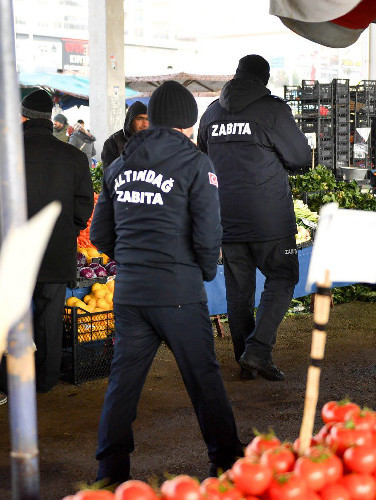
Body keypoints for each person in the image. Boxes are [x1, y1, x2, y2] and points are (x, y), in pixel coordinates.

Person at [89, 81, 243, 484]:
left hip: (130, 295)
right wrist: (205, 272)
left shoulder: (119, 165)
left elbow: (101, 236)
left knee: (123, 383)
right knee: (204, 380)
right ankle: (227, 463)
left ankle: (110, 471)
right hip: (178, 292)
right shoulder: (196, 164)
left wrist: (134, 259)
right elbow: (209, 234)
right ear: (189, 122)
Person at [197, 54, 311, 382]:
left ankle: (244, 361)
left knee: (239, 291)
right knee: (283, 276)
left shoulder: (212, 113)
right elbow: (301, 156)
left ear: (236, 75)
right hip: (269, 219)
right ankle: (258, 349)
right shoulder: (272, 109)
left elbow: (202, 161)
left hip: (226, 219)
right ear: (264, 78)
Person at [20, 89, 94, 392]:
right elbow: (83, 208)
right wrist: (66, 230)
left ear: (22, 117)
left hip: (12, 251)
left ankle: (9, 381)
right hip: (55, 248)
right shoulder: (74, 156)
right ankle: (45, 381)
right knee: (50, 317)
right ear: (51, 119)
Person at [101, 101, 148, 169]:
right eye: (139, 119)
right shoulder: (114, 142)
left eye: (147, 119)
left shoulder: (153, 141)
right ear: (130, 121)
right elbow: (110, 175)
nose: (145, 124)